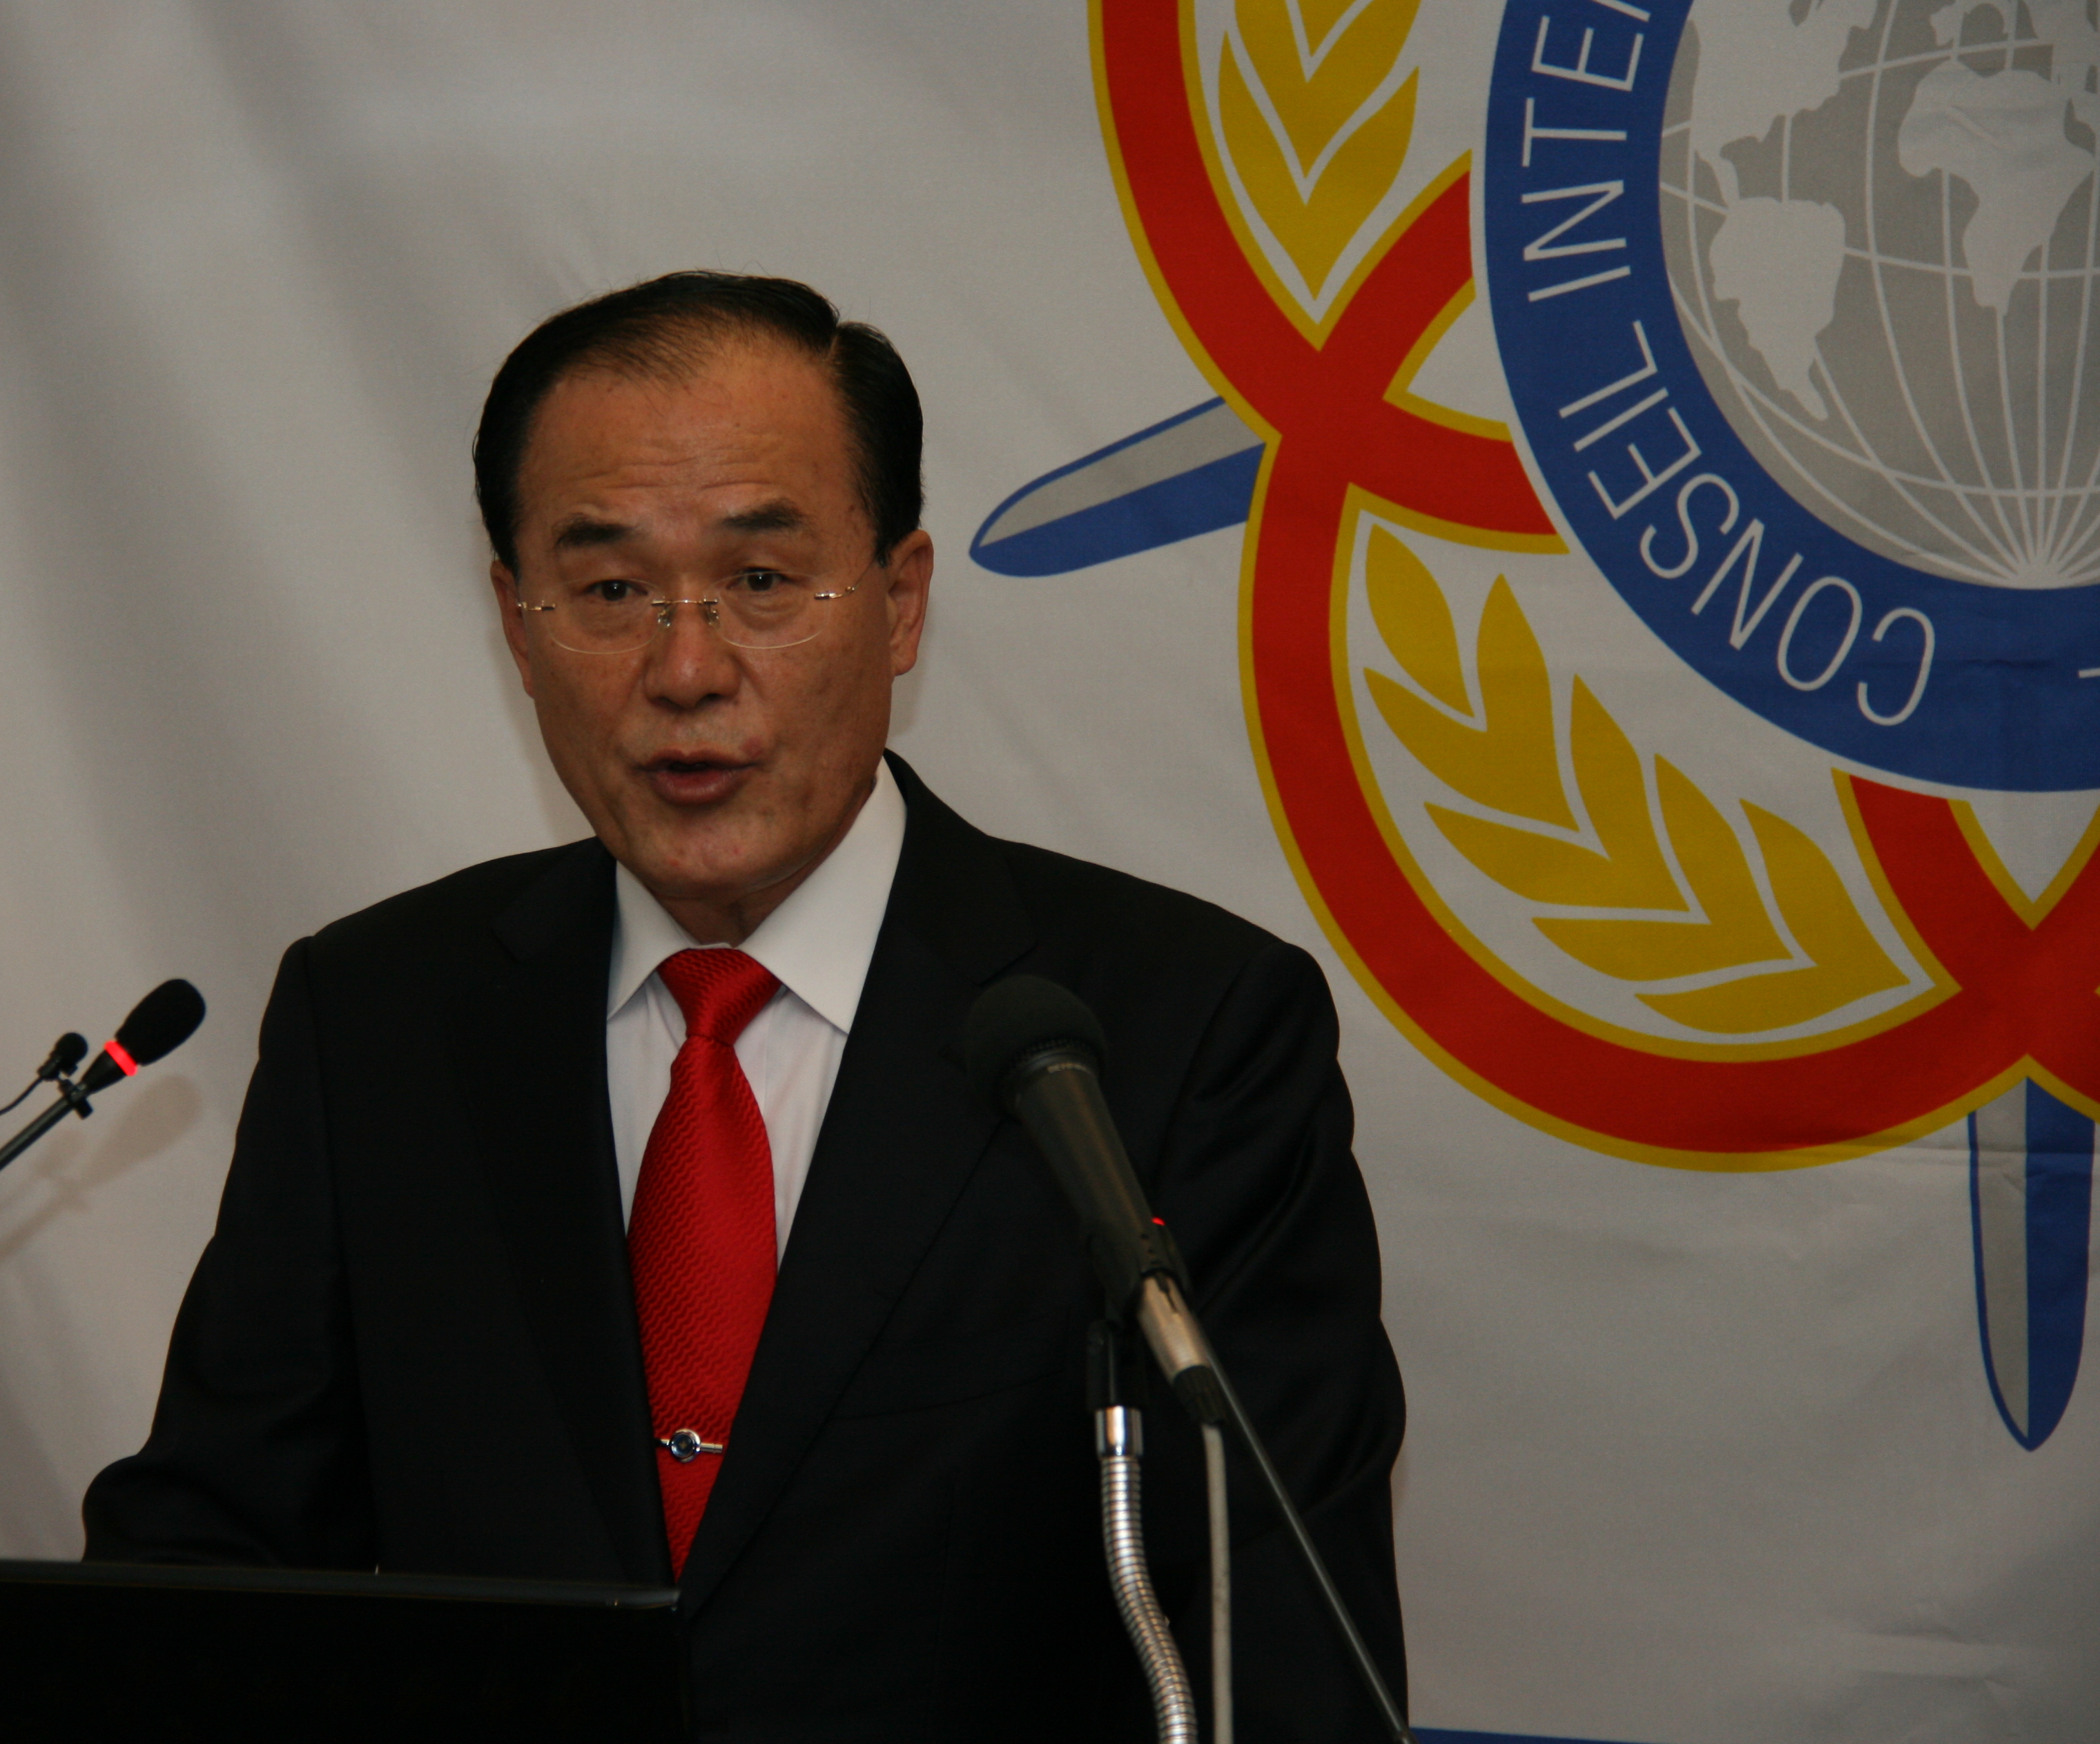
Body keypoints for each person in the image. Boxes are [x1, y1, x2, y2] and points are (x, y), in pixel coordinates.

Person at [83, 272, 1406, 1741]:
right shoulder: (381, 1021)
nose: (687, 669)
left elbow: (1285, 1659)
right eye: (609, 592)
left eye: (763, 583)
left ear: (900, 603)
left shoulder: (1179, 1036)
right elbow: (207, 1580)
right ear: (516, 625)